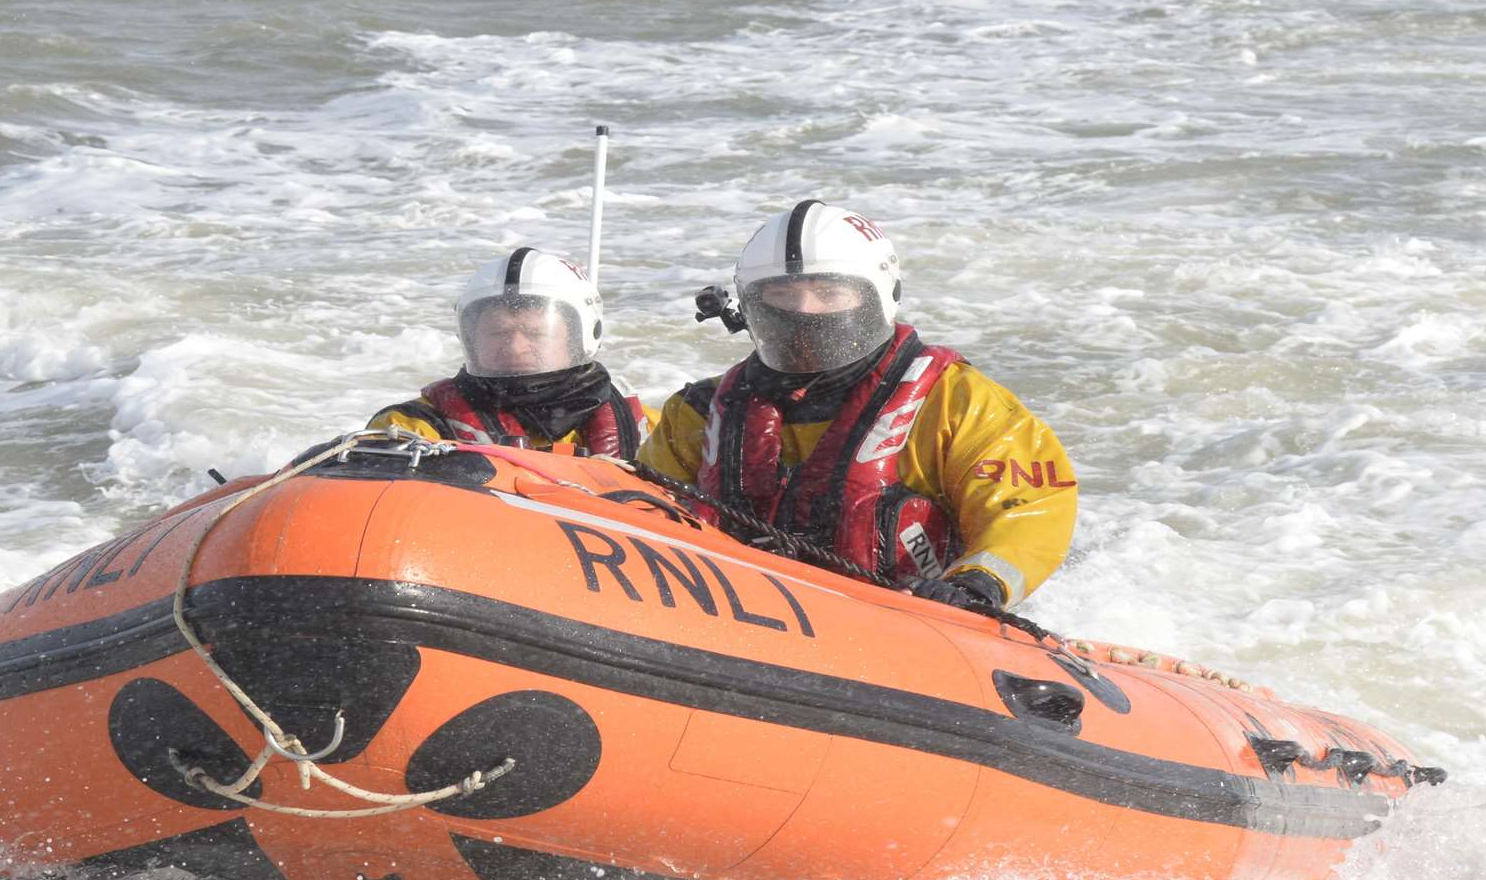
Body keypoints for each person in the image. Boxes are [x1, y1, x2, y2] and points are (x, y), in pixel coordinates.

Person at [635, 200, 1077, 615]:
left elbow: (1029, 510)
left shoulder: (955, 402)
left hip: (905, 624)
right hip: (729, 613)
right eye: (783, 297)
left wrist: (974, 586)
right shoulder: (696, 413)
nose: (804, 312)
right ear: (750, 306)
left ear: (876, 297)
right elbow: (638, 511)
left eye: (828, 293)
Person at [369, 247, 655, 457]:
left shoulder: (656, 430)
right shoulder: (412, 429)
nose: (516, 347)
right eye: (498, 333)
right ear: (470, 338)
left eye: (534, 333)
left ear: (582, 336)